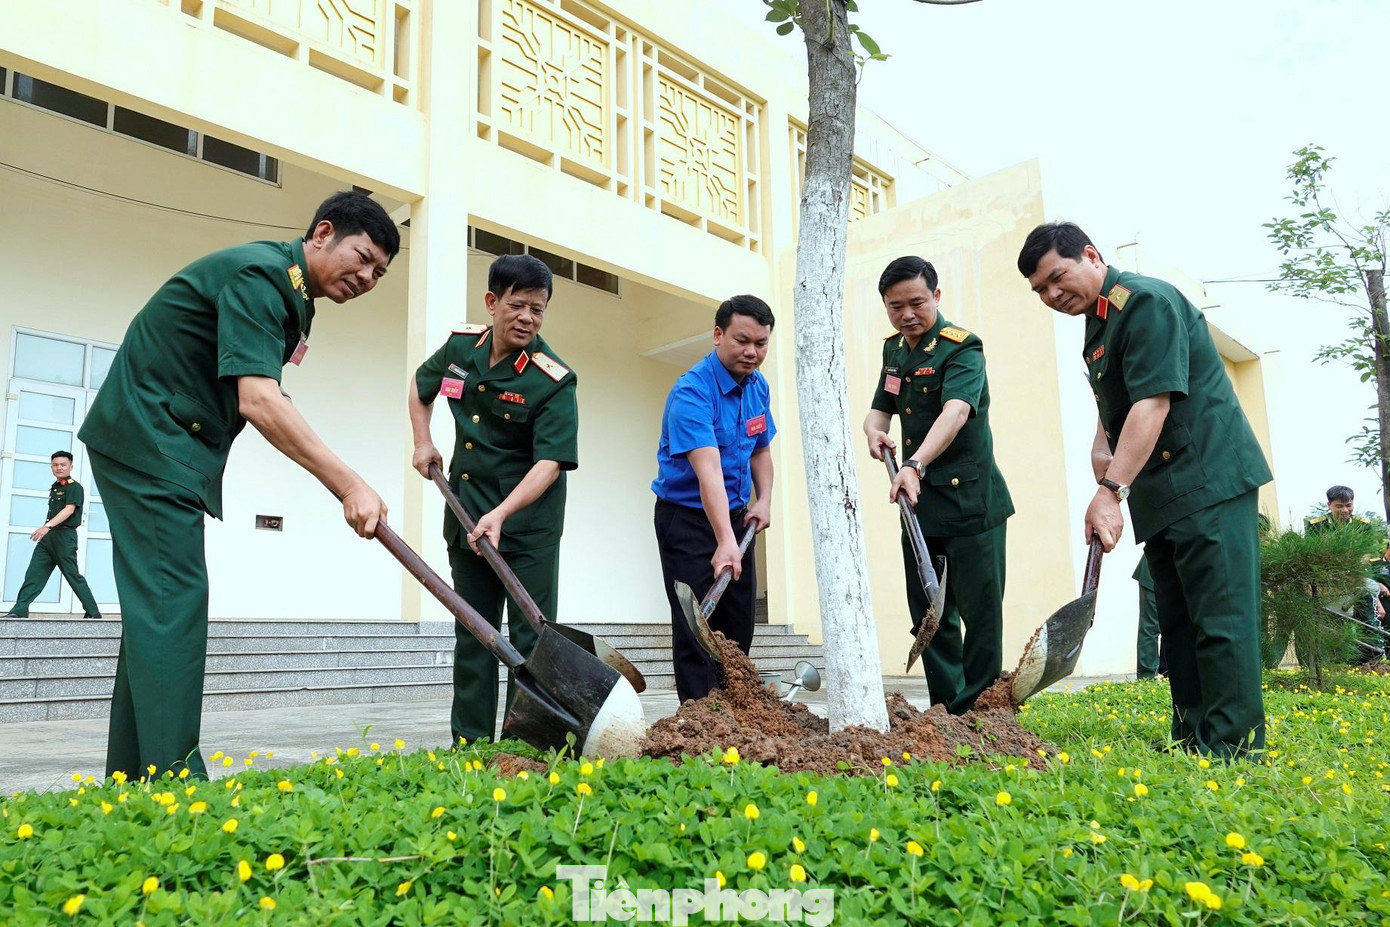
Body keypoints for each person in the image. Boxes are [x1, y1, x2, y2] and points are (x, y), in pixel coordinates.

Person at [77, 191, 399, 780]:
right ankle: (178, 787)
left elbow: (263, 391)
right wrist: (349, 483)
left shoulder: (289, 292)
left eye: (380, 270)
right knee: (175, 604)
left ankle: (128, 783)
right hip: (149, 439)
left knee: (159, 613)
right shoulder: (261, 278)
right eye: (363, 256)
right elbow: (259, 399)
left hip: (162, 442)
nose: (368, 276)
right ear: (322, 233)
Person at [1018, 221, 1272, 758]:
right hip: (1163, 490)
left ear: (1091, 255)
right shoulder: (1098, 325)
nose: (1051, 295)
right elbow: (1119, 397)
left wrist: (1110, 489)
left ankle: (1233, 745)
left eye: (1057, 278)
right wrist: (1100, 445)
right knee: (1177, 623)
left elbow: (1152, 401)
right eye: (1040, 290)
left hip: (1207, 477)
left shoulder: (1147, 302)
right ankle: (1193, 738)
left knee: (1221, 618)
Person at [408, 254, 578, 745]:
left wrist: (502, 514)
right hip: (465, 515)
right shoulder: (463, 347)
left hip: (527, 529)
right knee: (474, 634)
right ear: (492, 302)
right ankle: (470, 746)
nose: (528, 317)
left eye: (539, 309)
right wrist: (423, 441)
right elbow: (422, 388)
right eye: (518, 304)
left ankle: (524, 749)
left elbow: (549, 463)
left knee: (530, 639)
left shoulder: (553, 379)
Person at [863, 256, 1013, 714]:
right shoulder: (895, 350)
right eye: (895, 306)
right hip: (921, 505)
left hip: (971, 500)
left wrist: (914, 463)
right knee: (930, 613)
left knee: (979, 614)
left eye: (916, 302)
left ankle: (983, 710)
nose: (906, 314)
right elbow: (880, 407)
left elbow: (956, 412)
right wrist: (873, 431)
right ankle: (946, 711)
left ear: (936, 296)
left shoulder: (962, 348)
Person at [652, 295, 776, 703]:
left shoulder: (758, 388)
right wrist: (724, 540)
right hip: (687, 521)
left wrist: (765, 500)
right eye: (742, 340)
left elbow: (760, 451)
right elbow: (708, 474)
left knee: (738, 625)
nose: (752, 352)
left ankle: (736, 716)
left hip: (739, 517)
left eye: (761, 343)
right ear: (718, 335)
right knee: (695, 625)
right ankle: (700, 721)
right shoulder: (691, 392)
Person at [4, 450, 102, 620]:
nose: (59, 468)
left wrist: (46, 526)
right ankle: (19, 609)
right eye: (55, 465)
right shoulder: (56, 487)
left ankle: (93, 611)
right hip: (49, 537)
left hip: (64, 537)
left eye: (63, 464)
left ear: (71, 466)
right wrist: (47, 529)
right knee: (34, 573)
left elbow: (69, 509)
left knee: (72, 575)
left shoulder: (74, 487)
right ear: (51, 467)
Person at [1133, 556, 1168, 679]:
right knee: (1150, 626)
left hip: (1176, 574)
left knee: (1177, 624)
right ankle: (1146, 678)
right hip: (1152, 573)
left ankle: (1168, 672)